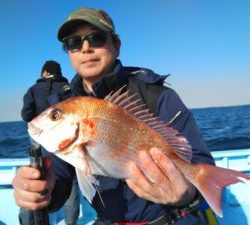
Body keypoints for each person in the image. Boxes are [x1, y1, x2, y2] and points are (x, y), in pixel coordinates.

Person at [13, 7, 215, 225]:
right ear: (69, 52)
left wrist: (188, 195)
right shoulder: (64, 105)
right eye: (74, 42)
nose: (86, 48)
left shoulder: (158, 96)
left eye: (96, 37)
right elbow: (59, 178)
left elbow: (200, 164)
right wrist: (43, 189)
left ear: (116, 45)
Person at [20, 60, 80, 225]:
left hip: (38, 142)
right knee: (72, 179)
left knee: (36, 179)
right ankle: (71, 222)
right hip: (69, 140)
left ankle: (31, 220)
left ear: (45, 72)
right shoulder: (70, 88)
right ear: (59, 72)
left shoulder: (33, 89)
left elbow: (26, 114)